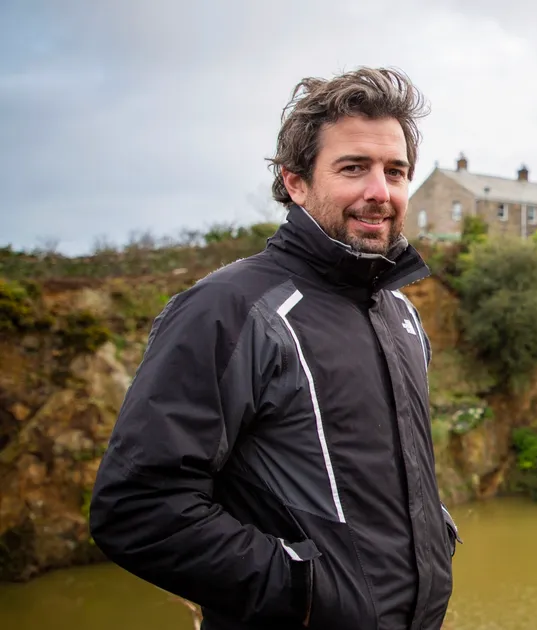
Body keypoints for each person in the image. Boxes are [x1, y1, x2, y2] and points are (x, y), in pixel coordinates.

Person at [88, 66, 460, 630]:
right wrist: (306, 593)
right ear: (295, 182)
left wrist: (436, 536)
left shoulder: (401, 314)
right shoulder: (228, 310)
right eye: (353, 168)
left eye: (395, 171)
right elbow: (137, 508)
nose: (379, 192)